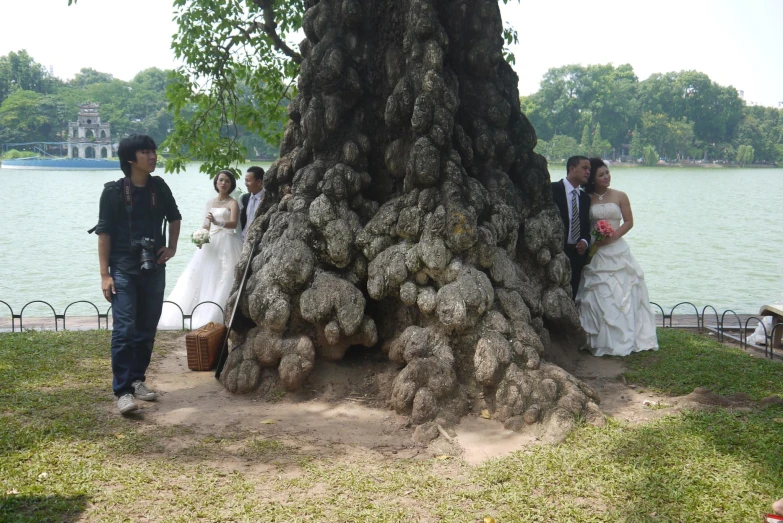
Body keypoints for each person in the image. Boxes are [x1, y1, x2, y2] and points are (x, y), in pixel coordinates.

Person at [94, 135, 181, 415]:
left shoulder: (159, 187)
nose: (153, 156)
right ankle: (123, 391)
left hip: (153, 266)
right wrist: (104, 274)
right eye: (146, 152)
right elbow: (103, 232)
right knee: (124, 330)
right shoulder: (113, 192)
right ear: (131, 159)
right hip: (122, 268)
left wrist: (172, 247)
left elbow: (175, 217)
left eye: (154, 151)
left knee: (145, 329)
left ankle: (137, 379)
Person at [575, 158, 658, 357]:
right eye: (601, 174)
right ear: (593, 179)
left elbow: (629, 222)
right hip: (596, 250)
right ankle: (597, 339)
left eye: (607, 173)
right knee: (597, 291)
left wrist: (613, 236)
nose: (606, 177)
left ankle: (624, 337)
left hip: (616, 249)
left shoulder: (620, 196)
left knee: (622, 292)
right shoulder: (586, 198)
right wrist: (596, 240)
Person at [158, 170, 243, 330]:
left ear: (231, 185)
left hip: (227, 240)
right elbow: (206, 224)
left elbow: (233, 223)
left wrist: (218, 222)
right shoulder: (210, 203)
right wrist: (201, 237)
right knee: (202, 275)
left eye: (227, 181)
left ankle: (219, 314)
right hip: (212, 243)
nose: (223, 183)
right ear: (216, 183)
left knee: (225, 275)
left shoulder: (233, 203)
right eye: (221, 180)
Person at [552, 156, 592, 298]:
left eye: (589, 169)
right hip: (555, 254)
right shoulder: (552, 190)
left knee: (572, 295)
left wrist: (585, 242)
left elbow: (586, 227)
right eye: (584, 168)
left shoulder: (585, 198)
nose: (588, 172)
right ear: (572, 168)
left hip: (577, 255)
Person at [240, 166, 265, 240]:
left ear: (259, 182)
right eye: (245, 180)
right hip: (244, 238)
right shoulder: (244, 198)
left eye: (248, 181)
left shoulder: (268, 199)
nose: (246, 184)